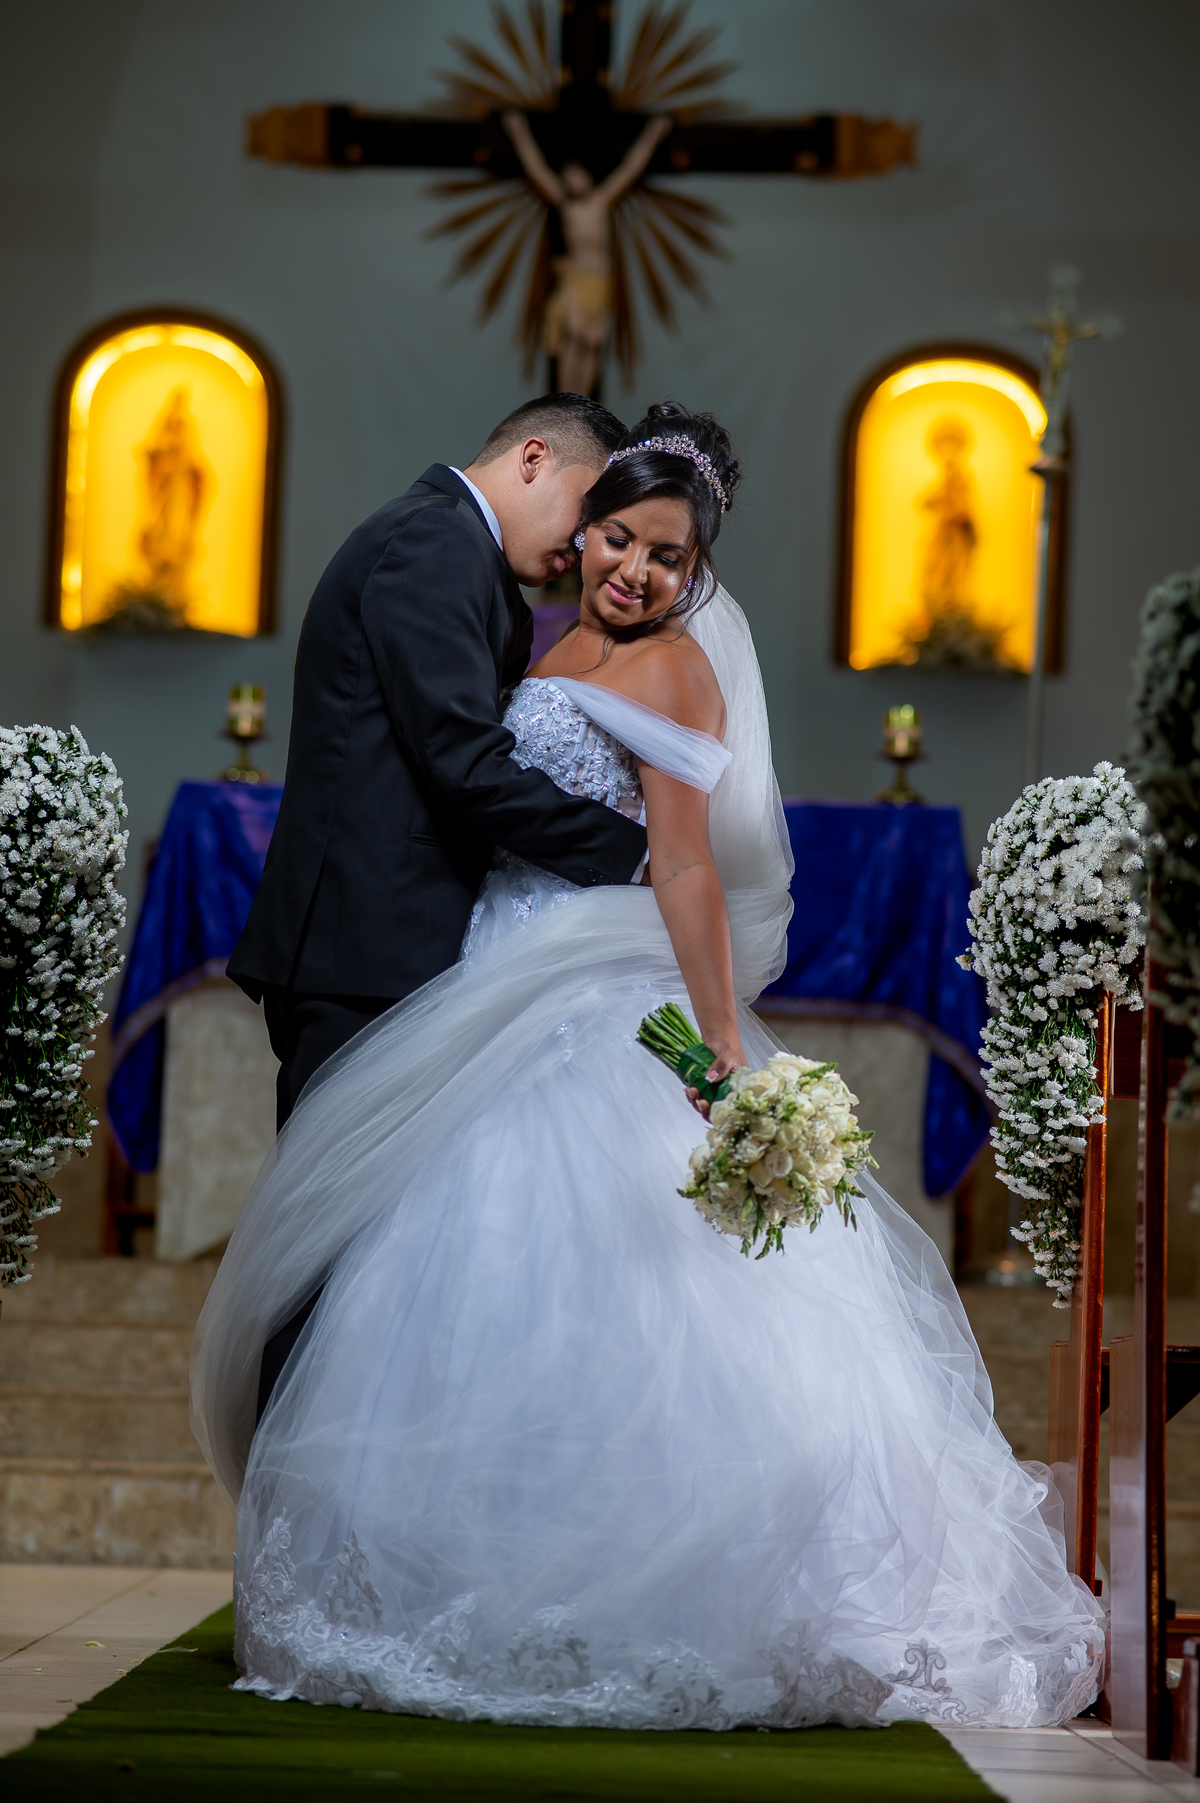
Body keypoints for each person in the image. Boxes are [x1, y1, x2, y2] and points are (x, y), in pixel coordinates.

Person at [194, 403, 1103, 1732]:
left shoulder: (673, 665)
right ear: (568, 502)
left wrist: (722, 1041)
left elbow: (680, 855)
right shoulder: (518, 614)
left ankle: (630, 1592)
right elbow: (459, 766)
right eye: (614, 534)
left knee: (603, 1281)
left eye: (663, 555)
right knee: (432, 1280)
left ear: (698, 575)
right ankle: (415, 1571)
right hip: (480, 972)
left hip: (573, 982)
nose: (628, 564)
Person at [227, 393, 648, 1409]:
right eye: (591, 513)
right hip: (360, 950)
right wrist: (634, 855)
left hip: (391, 943)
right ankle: (287, 1545)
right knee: (321, 1261)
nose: (587, 545)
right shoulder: (433, 546)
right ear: (535, 459)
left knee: (371, 1266)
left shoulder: (456, 549)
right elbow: (462, 764)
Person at [502, 111, 672, 396]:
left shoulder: (602, 201)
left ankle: (583, 399)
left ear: (588, 176)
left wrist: (654, 133)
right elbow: (537, 169)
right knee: (574, 339)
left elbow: (631, 168)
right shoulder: (567, 206)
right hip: (576, 280)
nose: (572, 181)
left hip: (601, 281)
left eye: (576, 175)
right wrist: (519, 132)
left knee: (593, 343)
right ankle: (567, 398)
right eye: (567, 177)